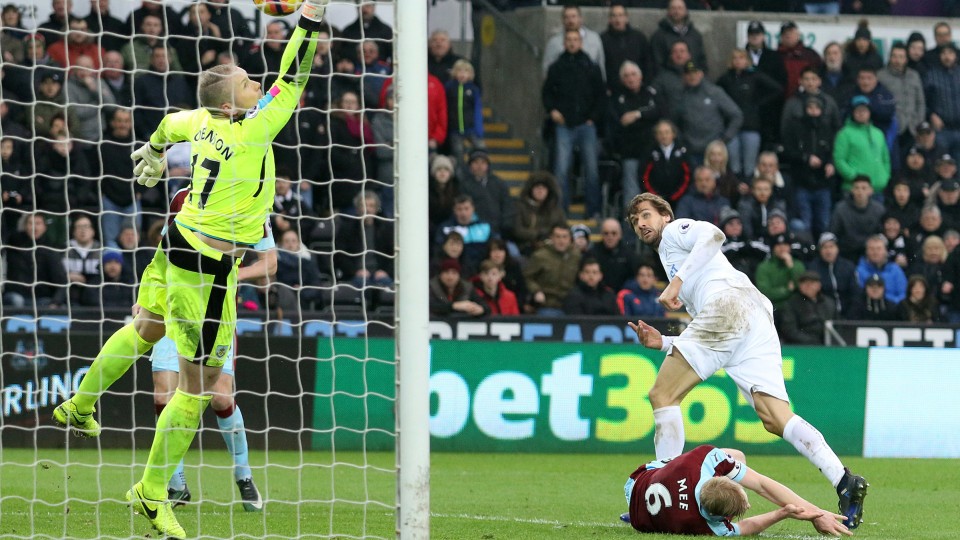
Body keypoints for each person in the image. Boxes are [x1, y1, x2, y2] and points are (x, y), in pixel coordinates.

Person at [52, 3, 328, 538]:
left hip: (175, 240)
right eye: (250, 84)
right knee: (198, 388)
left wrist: (154, 154)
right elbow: (295, 72)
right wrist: (309, 21)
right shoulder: (254, 130)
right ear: (230, 103)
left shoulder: (197, 120)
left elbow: (165, 125)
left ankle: (80, 404)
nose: (259, 87)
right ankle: (153, 491)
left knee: (146, 327)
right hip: (207, 266)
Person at [624, 192, 868, 529]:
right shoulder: (673, 254)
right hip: (751, 313)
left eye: (646, 215)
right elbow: (715, 337)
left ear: (665, 215)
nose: (641, 224)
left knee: (662, 395)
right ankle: (844, 480)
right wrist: (664, 341)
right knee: (775, 416)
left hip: (728, 305)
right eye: (635, 221)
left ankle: (661, 490)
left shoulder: (676, 231)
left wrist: (676, 283)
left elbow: (714, 234)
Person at [150, 184, 276, 510]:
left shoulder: (252, 204)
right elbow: (164, 250)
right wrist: (146, 298)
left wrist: (231, 272)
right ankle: (176, 484)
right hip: (175, 306)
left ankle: (243, 476)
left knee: (221, 397)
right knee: (164, 394)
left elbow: (270, 264)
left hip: (218, 311)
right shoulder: (183, 197)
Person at [623, 445, 850, 536]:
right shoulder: (708, 527)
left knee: (735, 457)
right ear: (717, 517)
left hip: (637, 486)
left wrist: (814, 512)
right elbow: (748, 526)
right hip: (639, 494)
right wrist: (782, 513)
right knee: (737, 457)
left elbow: (762, 485)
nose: (749, 505)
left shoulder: (703, 458)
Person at [542, 29, 606, 218]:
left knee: (592, 170)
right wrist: (552, 110)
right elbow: (547, 93)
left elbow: (600, 95)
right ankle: (562, 210)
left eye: (575, 40)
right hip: (564, 124)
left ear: (581, 42)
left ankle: (593, 210)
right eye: (568, 40)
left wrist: (593, 117)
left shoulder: (591, 66)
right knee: (561, 169)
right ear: (564, 43)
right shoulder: (556, 67)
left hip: (586, 125)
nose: (571, 43)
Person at [716, 49, 782, 179]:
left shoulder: (754, 76)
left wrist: (758, 103)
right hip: (731, 128)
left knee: (749, 166)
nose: (738, 61)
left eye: (741, 58)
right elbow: (717, 96)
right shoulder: (725, 78)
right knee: (734, 165)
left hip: (751, 126)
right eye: (735, 58)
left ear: (747, 61)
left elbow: (777, 89)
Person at [611, 61, 666, 206]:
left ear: (640, 76)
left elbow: (660, 111)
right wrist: (647, 116)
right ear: (622, 79)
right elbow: (621, 120)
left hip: (653, 152)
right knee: (632, 194)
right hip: (631, 152)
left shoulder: (651, 93)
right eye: (627, 76)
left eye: (633, 74)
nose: (631, 78)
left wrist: (637, 114)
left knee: (656, 192)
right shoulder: (617, 98)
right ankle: (631, 226)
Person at [782, 95, 836, 238]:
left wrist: (831, 164)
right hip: (802, 183)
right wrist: (805, 158)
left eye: (816, 108)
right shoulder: (795, 127)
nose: (813, 111)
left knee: (824, 223)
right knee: (805, 224)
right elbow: (788, 151)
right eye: (810, 108)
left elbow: (832, 151)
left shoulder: (827, 129)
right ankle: (807, 250)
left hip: (823, 183)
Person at [674, 60, 743, 167]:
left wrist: (725, 138)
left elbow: (736, 115)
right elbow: (674, 121)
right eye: (689, 73)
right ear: (684, 76)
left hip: (713, 151)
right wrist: (681, 141)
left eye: (695, 72)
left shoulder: (714, 92)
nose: (692, 76)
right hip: (691, 149)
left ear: (701, 73)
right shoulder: (680, 95)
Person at [833, 95, 890, 193]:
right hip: (854, 189)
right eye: (858, 111)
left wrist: (885, 176)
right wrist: (854, 177)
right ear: (852, 113)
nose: (861, 114)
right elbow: (839, 160)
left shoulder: (878, 133)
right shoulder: (845, 134)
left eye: (864, 110)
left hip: (877, 188)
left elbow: (885, 158)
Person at [523, 225, 581, 317]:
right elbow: (527, 277)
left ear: (570, 239)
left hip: (571, 303)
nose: (561, 241)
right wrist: (536, 291)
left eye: (564, 237)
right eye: (558, 237)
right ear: (551, 238)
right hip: (547, 304)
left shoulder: (576, 256)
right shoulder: (540, 256)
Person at [878, 43, 926, 152]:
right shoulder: (881, 76)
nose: (897, 60)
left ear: (906, 59)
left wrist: (918, 122)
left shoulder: (914, 75)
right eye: (894, 56)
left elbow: (920, 102)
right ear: (889, 57)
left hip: (912, 128)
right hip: (891, 128)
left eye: (901, 57)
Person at [830, 175, 885, 262]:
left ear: (871, 191)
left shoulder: (879, 210)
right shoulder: (840, 209)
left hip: (872, 254)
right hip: (846, 254)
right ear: (852, 190)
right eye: (857, 188)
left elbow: (881, 235)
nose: (860, 191)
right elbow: (833, 233)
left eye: (864, 188)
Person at [542, 5, 605, 81]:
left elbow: (601, 65)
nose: (570, 21)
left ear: (580, 18)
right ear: (562, 20)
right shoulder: (554, 43)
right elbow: (547, 70)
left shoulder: (594, 39)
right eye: (567, 17)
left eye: (573, 16)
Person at [600, 3, 652, 92]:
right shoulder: (602, 39)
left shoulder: (639, 37)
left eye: (620, 15)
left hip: (638, 89)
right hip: (613, 90)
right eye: (614, 16)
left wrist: (645, 84)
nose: (617, 19)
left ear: (626, 18)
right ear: (609, 19)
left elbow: (648, 62)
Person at [512, 171, 566, 257]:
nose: (540, 191)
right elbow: (517, 230)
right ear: (531, 189)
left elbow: (563, 228)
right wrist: (538, 234)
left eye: (544, 188)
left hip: (551, 247)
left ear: (549, 191)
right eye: (537, 187)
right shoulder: (520, 207)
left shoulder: (556, 210)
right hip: (525, 247)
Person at [809, 232, 861, 319]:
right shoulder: (813, 268)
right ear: (820, 250)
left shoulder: (848, 266)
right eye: (825, 247)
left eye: (831, 247)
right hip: (824, 316)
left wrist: (850, 317)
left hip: (848, 316)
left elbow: (855, 293)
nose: (828, 251)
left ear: (837, 248)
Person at [650, 0, 706, 76]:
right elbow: (656, 63)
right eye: (673, 8)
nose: (676, 11)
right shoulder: (658, 36)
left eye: (680, 8)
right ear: (668, 11)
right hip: (668, 79)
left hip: (692, 77)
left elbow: (701, 60)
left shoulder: (695, 35)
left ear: (686, 11)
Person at [444, 59, 484, 166]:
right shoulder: (449, 88)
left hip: (470, 128)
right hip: (455, 128)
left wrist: (479, 129)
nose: (462, 74)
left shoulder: (473, 89)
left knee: (480, 148)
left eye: (465, 71)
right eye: (459, 71)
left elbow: (477, 109)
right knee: (458, 152)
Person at [642, 120, 692, 204]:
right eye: (660, 133)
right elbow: (644, 177)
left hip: (680, 199)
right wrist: (655, 196)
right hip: (655, 200)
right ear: (656, 136)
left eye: (667, 132)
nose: (664, 136)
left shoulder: (683, 151)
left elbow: (688, 176)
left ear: (674, 134)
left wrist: (676, 195)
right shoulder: (649, 153)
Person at [780, 271, 835, 345]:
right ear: (799, 286)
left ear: (819, 286)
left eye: (812, 283)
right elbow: (789, 330)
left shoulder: (829, 303)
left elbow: (837, 325)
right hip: (801, 347)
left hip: (828, 345)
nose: (808, 286)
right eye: (804, 283)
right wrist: (811, 341)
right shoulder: (791, 304)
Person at [856, 235, 908, 304]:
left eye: (879, 249)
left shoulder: (895, 270)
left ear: (885, 251)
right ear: (866, 252)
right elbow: (859, 296)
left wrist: (888, 303)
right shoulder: (859, 271)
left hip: (894, 309)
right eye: (871, 249)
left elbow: (903, 294)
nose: (875, 252)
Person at [778, 21, 822, 99]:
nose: (788, 35)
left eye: (791, 32)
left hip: (808, 101)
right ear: (781, 37)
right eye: (785, 33)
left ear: (798, 34)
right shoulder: (775, 56)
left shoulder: (810, 55)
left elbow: (820, 76)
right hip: (780, 101)